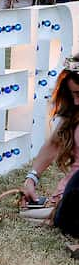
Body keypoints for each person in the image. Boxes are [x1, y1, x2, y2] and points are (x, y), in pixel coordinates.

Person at [21, 57, 79, 238]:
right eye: (73, 95)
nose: (76, 102)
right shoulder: (74, 115)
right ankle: (55, 212)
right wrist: (31, 178)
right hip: (71, 198)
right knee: (25, 214)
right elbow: (53, 144)